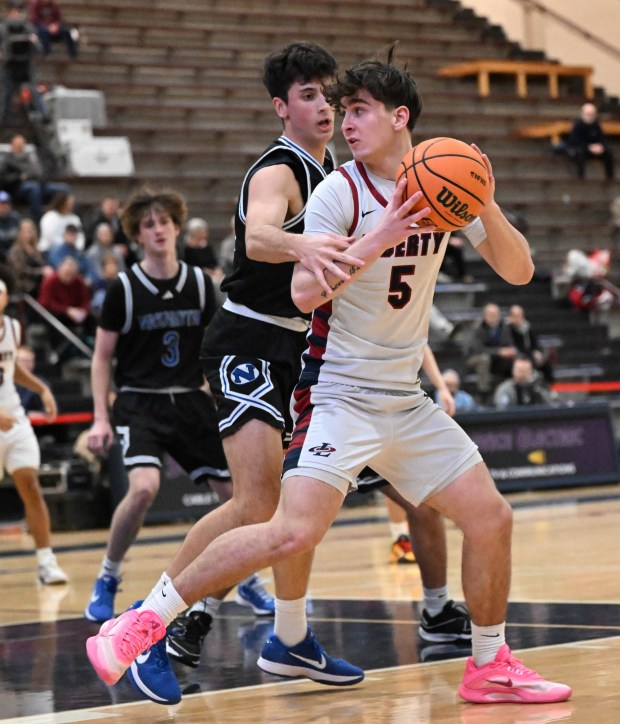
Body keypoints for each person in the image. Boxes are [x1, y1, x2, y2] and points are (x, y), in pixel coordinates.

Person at [86, 51, 571, 706]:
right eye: (342, 110)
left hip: (404, 398)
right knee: (287, 529)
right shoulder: (338, 191)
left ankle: (489, 666)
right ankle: (141, 623)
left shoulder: (442, 177)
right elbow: (306, 292)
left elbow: (518, 271)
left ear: (400, 118)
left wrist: (486, 202)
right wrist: (384, 234)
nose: (347, 122)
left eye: (361, 110)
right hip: (337, 393)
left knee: (492, 518)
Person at [161, 42, 364, 682]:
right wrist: (310, 244)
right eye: (308, 95)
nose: (324, 106)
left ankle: (287, 636)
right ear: (282, 107)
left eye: (329, 94)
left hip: (300, 349)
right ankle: (156, 616)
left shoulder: (336, 171)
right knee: (256, 503)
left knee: (294, 506)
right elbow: (260, 238)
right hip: (247, 339)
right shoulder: (279, 169)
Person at [81, 187, 234, 628]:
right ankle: (108, 577)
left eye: (163, 221)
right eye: (148, 224)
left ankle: (238, 577)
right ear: (136, 235)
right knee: (144, 488)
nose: (158, 229)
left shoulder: (200, 284)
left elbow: (214, 349)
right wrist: (100, 416)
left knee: (236, 499)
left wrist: (220, 398)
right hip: (140, 402)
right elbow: (101, 358)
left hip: (190, 399)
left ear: (176, 225)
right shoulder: (124, 289)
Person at [0, 272, 68, 584]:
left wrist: (42, 389)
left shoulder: (12, 328)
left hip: (14, 418)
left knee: (31, 486)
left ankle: (46, 562)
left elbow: (13, 370)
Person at [0, 1, 49, 124]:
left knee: (34, 91)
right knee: (6, 94)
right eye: (14, 11)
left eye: (19, 11)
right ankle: (3, 119)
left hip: (25, 66)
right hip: (9, 66)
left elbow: (39, 48)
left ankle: (43, 116)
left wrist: (33, 41)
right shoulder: (2, 28)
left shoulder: (29, 28)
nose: (16, 14)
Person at [0, 135, 69, 222]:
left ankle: (61, 216)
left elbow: (39, 173)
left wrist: (32, 176)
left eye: (22, 145)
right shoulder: (7, 160)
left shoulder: (31, 158)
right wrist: (19, 177)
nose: (20, 147)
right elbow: (4, 179)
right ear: (12, 146)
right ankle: (39, 219)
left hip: (40, 184)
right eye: (18, 145)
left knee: (63, 189)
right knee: (33, 188)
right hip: (19, 189)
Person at [466, 302, 517, 399]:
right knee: (484, 359)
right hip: (475, 358)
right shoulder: (477, 328)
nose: (494, 317)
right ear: (485, 316)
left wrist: (510, 350)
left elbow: (509, 343)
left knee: (516, 357)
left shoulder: (504, 327)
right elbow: (478, 349)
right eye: (491, 315)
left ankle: (514, 390)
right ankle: (484, 393)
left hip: (497, 360)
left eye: (496, 315)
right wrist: (498, 352)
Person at [559, 103, 614, 180]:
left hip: (594, 148)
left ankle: (610, 177)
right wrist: (589, 147)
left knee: (608, 152)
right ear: (583, 114)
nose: (590, 117)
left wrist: (600, 146)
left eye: (592, 114)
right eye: (588, 114)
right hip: (583, 148)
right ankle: (580, 177)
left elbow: (602, 138)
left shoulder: (596, 125)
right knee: (579, 152)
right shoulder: (578, 125)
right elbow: (575, 141)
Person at [506, 304, 554, 383]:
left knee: (545, 364)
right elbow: (511, 345)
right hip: (517, 355)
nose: (520, 317)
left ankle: (549, 387)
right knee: (528, 362)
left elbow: (534, 343)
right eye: (517, 315)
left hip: (529, 353)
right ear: (511, 316)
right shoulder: (507, 329)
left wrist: (536, 351)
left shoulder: (526, 327)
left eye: (521, 314)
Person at [7, 217, 51, 297]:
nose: (28, 234)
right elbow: (19, 270)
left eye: (30, 231)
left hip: (38, 280)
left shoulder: (36, 249)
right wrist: (40, 272)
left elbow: (41, 264)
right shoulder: (16, 250)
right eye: (25, 231)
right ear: (20, 233)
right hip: (24, 283)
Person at [15, 343, 46, 413]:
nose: (27, 364)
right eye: (24, 360)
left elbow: (47, 409)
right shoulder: (5, 381)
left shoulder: (41, 382)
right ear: (15, 362)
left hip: (34, 422)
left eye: (30, 361)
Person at [0, 189, 20, 261]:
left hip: (15, 255)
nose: (4, 206)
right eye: (1, 204)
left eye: (6, 203)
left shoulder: (16, 218)